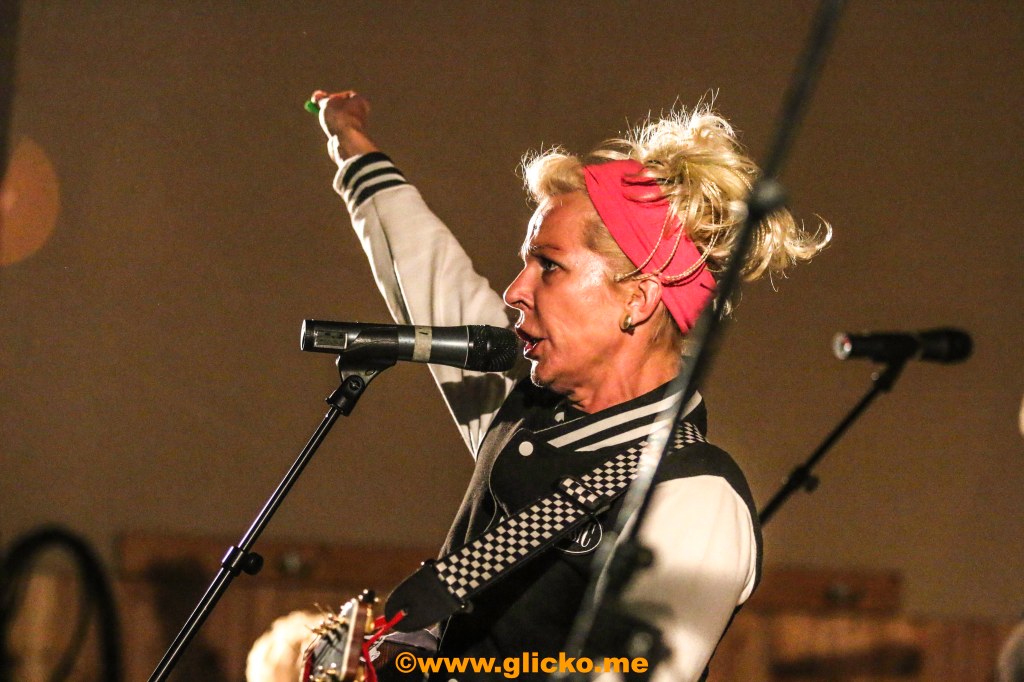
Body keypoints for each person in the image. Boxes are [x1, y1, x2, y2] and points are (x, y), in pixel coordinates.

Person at [310, 89, 828, 681]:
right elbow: (425, 272)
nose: (514, 291)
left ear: (638, 299)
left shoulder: (695, 494)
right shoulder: (525, 404)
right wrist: (349, 142)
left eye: (548, 265)